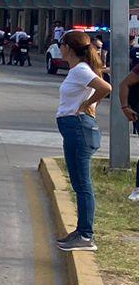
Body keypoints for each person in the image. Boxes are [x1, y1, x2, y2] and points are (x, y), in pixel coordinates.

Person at [56, 29, 112, 252]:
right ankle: (81, 231)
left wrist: (84, 106)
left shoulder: (80, 70)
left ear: (67, 47)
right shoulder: (79, 70)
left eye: (61, 43)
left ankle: (86, 235)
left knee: (83, 184)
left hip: (79, 128)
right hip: (74, 128)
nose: (59, 47)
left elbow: (105, 88)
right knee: (79, 183)